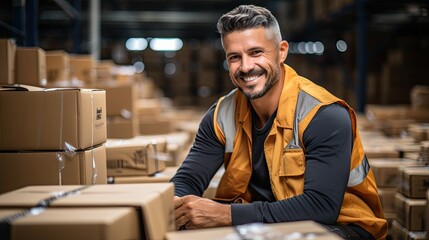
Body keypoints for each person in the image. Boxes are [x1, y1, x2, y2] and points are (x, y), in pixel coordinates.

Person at [171, 4, 387, 240]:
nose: (245, 67)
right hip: (267, 226)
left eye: (256, 52)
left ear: (282, 51)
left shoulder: (323, 115)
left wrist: (226, 214)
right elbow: (188, 179)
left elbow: (321, 207)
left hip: (344, 227)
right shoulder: (221, 115)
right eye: (235, 57)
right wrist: (177, 204)